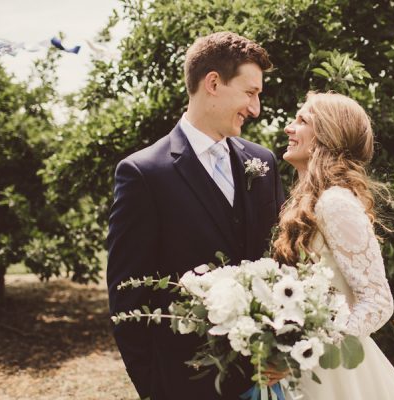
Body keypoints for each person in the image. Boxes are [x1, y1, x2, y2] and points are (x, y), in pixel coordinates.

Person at [107, 32, 285, 400]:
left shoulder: (262, 163)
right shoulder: (144, 174)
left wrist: (283, 348)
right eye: (250, 93)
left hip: (265, 380)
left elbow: (280, 263)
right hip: (185, 384)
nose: (256, 109)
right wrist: (155, 389)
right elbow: (127, 295)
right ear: (214, 83)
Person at [273, 91, 394, 399]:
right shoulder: (311, 201)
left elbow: (378, 301)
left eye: (302, 120)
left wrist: (310, 349)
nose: (288, 127)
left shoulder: (335, 202)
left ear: (326, 134)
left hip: (334, 373)